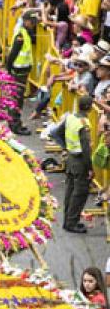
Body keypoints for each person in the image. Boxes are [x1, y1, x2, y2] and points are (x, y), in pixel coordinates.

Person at [54, 94, 93, 233]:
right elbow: (86, 149)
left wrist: (66, 147)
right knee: (80, 193)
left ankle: (67, 221)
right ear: (90, 108)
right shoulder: (84, 124)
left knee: (70, 191)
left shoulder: (70, 117)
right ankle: (72, 223)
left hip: (70, 158)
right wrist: (90, 168)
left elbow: (56, 132)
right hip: (80, 161)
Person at [6, 10, 38, 135]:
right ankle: (15, 125)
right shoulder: (21, 34)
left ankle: (14, 122)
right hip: (17, 72)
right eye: (32, 22)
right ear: (26, 21)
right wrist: (9, 70)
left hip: (22, 72)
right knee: (16, 99)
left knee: (18, 99)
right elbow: (12, 54)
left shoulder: (26, 32)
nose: (33, 24)